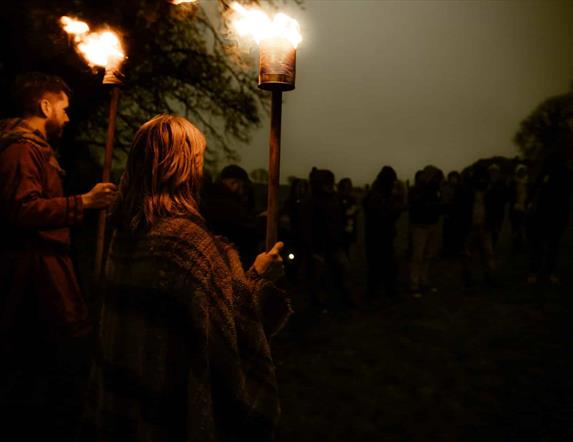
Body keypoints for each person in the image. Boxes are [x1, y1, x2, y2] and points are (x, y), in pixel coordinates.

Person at [90, 115, 291, 441]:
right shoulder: (187, 244)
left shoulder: (124, 232)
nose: (200, 169)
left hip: (125, 398)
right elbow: (230, 331)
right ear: (181, 167)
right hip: (169, 408)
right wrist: (260, 276)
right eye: (196, 159)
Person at [0, 72, 117, 441]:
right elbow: (22, 209)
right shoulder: (21, 149)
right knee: (37, 371)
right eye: (63, 110)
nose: (68, 118)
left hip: (46, 273)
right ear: (44, 105)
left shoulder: (36, 148)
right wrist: (83, 202)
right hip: (32, 280)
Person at [201, 164, 261, 267]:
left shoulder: (209, 198)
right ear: (234, 183)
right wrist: (262, 220)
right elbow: (248, 230)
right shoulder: (228, 205)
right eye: (243, 186)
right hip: (230, 262)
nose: (244, 191)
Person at [363, 166, 404, 300]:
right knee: (379, 266)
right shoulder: (376, 195)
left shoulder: (380, 193)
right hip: (378, 236)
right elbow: (383, 217)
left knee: (384, 266)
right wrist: (398, 208)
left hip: (380, 236)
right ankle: (377, 293)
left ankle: (384, 291)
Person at [408, 165, 444, 298]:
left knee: (427, 255)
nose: (435, 179)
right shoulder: (417, 188)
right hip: (420, 226)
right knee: (417, 256)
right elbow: (416, 205)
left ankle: (424, 281)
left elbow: (438, 204)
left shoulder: (435, 188)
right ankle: (414, 284)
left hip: (432, 225)